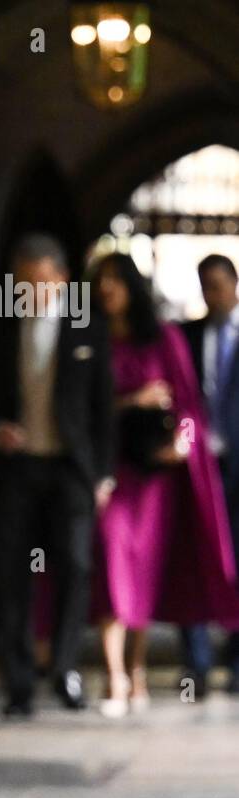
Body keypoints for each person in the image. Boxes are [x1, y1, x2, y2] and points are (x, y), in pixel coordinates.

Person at [0, 233, 115, 716]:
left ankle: (66, 668)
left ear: (63, 280)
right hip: (17, 468)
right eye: (24, 283)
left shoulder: (87, 327)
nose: (32, 291)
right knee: (12, 572)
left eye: (43, 282)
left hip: (71, 469)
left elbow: (102, 407)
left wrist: (104, 474)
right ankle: (18, 684)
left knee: (74, 565)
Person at [89, 253, 239, 717]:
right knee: (113, 561)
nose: (108, 290)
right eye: (102, 281)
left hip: (157, 478)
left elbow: (190, 409)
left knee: (144, 571)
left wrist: (183, 445)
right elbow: (82, 406)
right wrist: (131, 400)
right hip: (111, 471)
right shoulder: (90, 341)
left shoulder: (166, 339)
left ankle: (134, 672)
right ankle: (114, 677)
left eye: (117, 281)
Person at [180, 253, 239, 694]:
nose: (211, 294)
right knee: (196, 559)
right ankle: (196, 666)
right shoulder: (186, 336)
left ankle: (237, 665)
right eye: (205, 286)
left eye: (218, 284)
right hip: (199, 466)